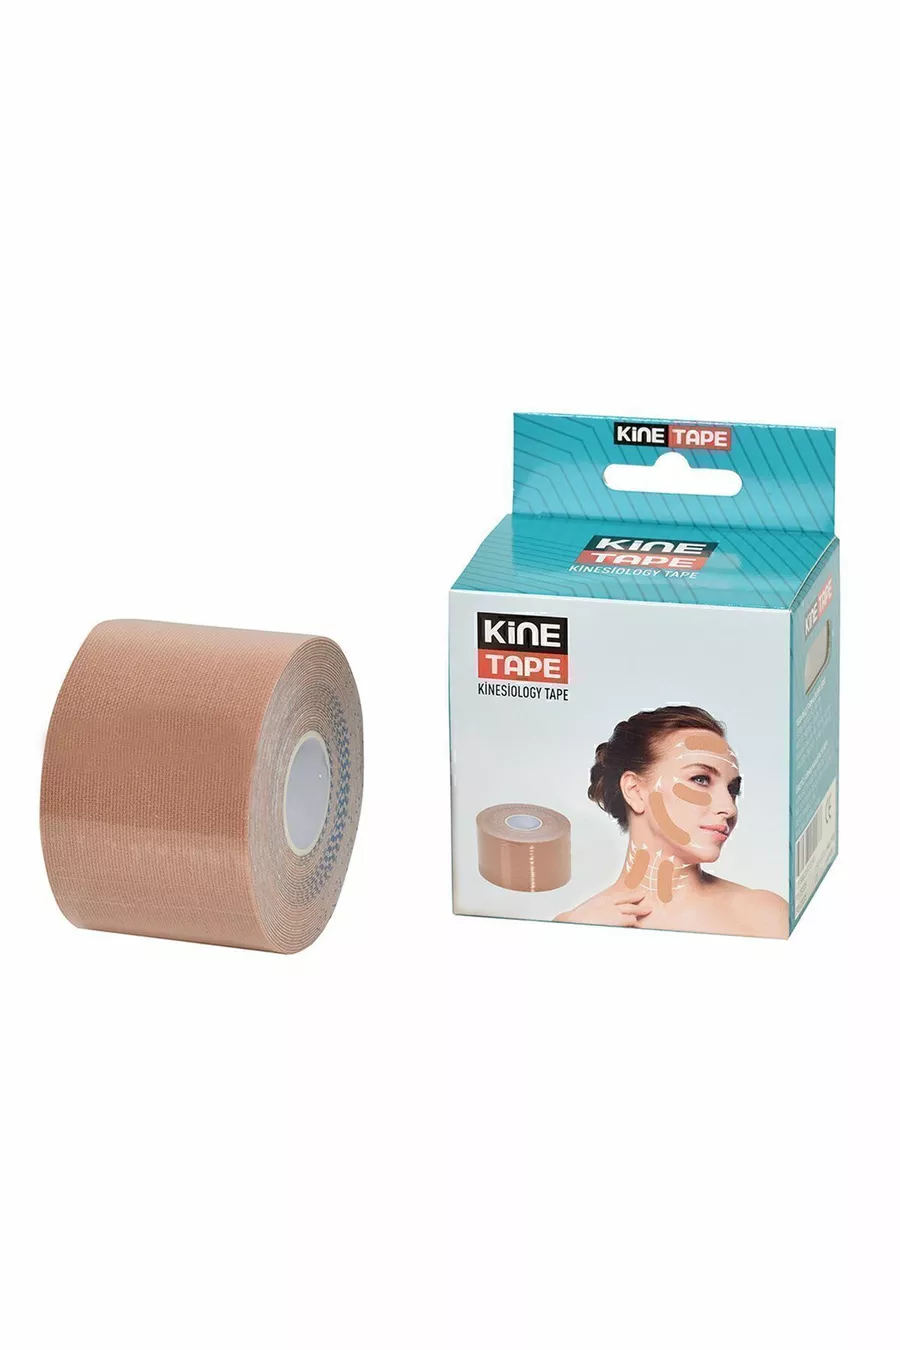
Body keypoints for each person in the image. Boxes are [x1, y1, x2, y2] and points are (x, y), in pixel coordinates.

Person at [555, 705, 787, 938]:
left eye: (732, 790)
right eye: (700, 779)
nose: (729, 808)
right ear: (635, 791)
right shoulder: (573, 927)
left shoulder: (765, 915)